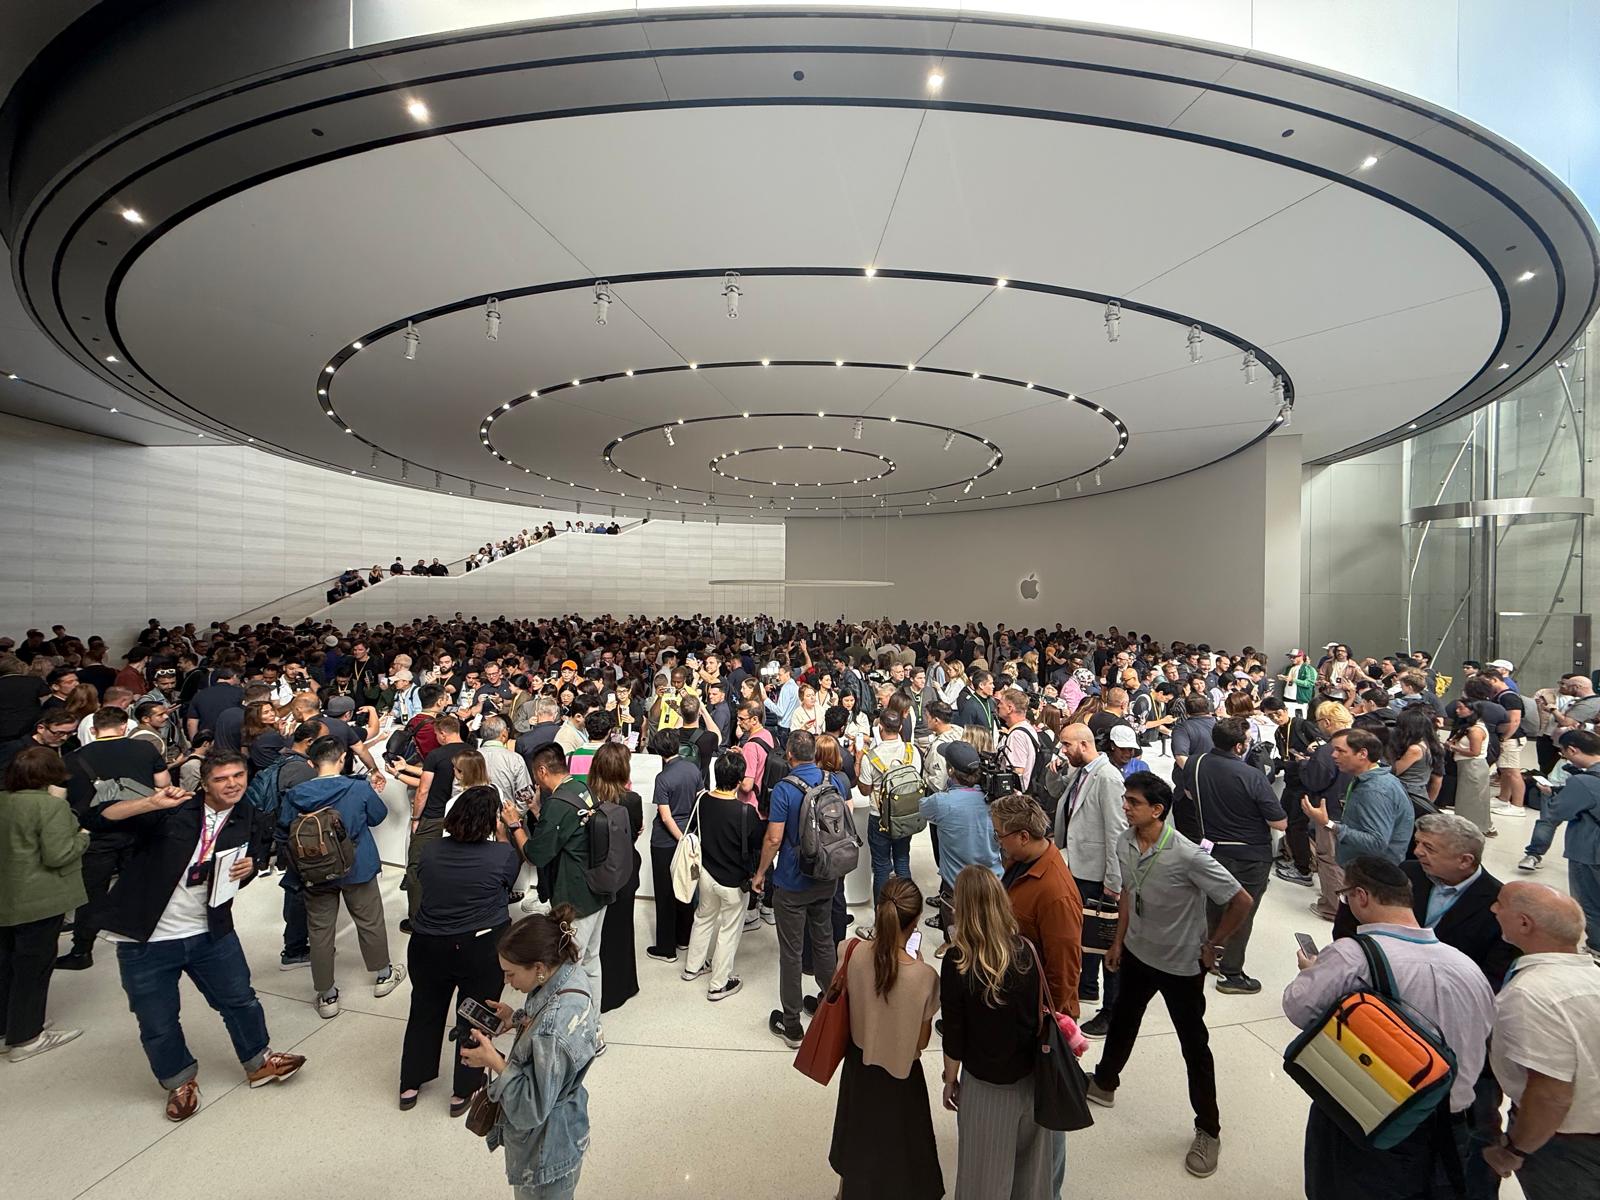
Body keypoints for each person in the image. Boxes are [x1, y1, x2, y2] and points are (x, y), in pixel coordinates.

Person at [93, 753, 306, 1120]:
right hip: (147, 938)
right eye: (222, 778)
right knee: (158, 1020)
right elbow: (98, 818)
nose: (233, 784)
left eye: (238, 775)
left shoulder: (248, 816)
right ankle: (179, 1081)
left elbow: (250, 859)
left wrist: (249, 868)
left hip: (210, 929)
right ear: (204, 782)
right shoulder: (173, 809)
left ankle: (258, 1061)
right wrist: (148, 803)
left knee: (241, 1000)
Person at [1283, 856, 1495, 1199]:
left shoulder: (1353, 954)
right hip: (1451, 1122)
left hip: (1373, 1112)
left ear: (1361, 896)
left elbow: (1299, 1008)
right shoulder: (1466, 967)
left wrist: (1310, 972)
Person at [1088, 773, 1252, 1178]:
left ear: (1157, 810)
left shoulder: (1188, 854)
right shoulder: (1126, 841)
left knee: (1194, 1047)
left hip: (1181, 965)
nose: (1125, 807)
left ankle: (1208, 1130)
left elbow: (1240, 900)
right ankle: (1105, 1083)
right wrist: (1117, 941)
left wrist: (1214, 944)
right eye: (1125, 800)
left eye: (1133, 802)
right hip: (1139, 954)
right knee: (1123, 1021)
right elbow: (1128, 891)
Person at [458, 908, 600, 1200]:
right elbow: (547, 1022)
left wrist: (494, 1062)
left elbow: (532, 1108)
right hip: (567, 1129)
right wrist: (517, 1018)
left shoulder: (553, 1028)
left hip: (546, 1151)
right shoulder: (567, 974)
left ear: (538, 966)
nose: (508, 983)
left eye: (511, 974)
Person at [398, 785, 519, 1114]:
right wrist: (505, 834)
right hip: (480, 945)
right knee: (476, 1016)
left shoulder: (431, 851)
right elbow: (510, 881)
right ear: (491, 821)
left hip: (427, 944)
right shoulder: (502, 855)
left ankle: (410, 1083)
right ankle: (463, 1090)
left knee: (424, 1011)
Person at [940, 865, 1055, 1200]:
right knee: (1031, 1179)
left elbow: (955, 1033)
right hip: (1033, 1079)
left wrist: (950, 1079)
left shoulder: (958, 961)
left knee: (983, 1180)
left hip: (986, 1084)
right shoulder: (1027, 950)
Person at [829, 876, 943, 1200]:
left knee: (857, 1136)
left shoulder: (850, 952)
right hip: (901, 1075)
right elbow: (920, 1043)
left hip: (858, 1064)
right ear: (916, 920)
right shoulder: (925, 978)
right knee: (903, 1149)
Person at [1484, 883, 1600, 1196]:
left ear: (1524, 923)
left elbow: (1551, 1095)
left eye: (1500, 904)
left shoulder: (1529, 995)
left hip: (1565, 1144)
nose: (1494, 910)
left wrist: (1515, 1150)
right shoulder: (1593, 976)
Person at [280, 736, 402, 1019]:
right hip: (357, 865)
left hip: (313, 869)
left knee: (320, 930)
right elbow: (377, 816)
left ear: (311, 763)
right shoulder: (357, 788)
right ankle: (383, 975)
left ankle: (327, 993)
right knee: (369, 920)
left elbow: (286, 827)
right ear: (343, 759)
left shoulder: (296, 794)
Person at [503, 744, 609, 1047]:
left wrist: (514, 823)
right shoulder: (582, 787)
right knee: (591, 961)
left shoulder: (558, 804)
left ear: (541, 771)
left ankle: (581, 1034)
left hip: (573, 898)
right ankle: (595, 1024)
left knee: (568, 968)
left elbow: (536, 853)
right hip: (595, 890)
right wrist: (538, 810)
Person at [1172, 717, 1287, 995]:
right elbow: (1279, 822)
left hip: (1211, 847)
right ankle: (1232, 973)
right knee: (1243, 910)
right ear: (1239, 746)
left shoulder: (1196, 763)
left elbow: (1188, 792)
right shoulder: (1251, 775)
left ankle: (1211, 954)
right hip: (1250, 854)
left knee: (1213, 905)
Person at [57, 706, 173, 970]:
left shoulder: (72, 760)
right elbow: (163, 782)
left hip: (97, 834)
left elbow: (59, 801)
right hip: (141, 827)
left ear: (93, 730)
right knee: (141, 884)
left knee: (91, 894)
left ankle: (82, 950)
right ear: (124, 727)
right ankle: (146, 938)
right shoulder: (145, 749)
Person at [752, 730, 847, 1048]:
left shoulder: (784, 789)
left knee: (791, 954)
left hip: (793, 881)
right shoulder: (833, 780)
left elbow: (774, 838)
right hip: (826, 876)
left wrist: (761, 872)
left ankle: (791, 1024)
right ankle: (829, 1004)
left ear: (790, 755)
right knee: (823, 942)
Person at [0, 747, 89, 1061]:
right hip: (40, 899)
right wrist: (83, 836)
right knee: (34, 969)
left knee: (8, 964)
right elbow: (59, 854)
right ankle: (27, 1036)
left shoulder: (4, 801)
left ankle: (8, 1027)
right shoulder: (51, 807)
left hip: (7, 897)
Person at [1302, 727, 1414, 939]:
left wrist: (1329, 825)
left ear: (1362, 754)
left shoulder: (1375, 791)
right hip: (1365, 876)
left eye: (1340, 751)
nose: (1333, 755)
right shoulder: (1371, 780)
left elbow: (1376, 842)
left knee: (1351, 938)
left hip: (1372, 881)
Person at [1050, 722, 1124, 1031]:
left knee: (1106, 940)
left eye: (1067, 745)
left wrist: (1114, 880)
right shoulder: (1081, 772)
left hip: (1098, 873)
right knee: (1087, 935)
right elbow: (1058, 794)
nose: (1063, 751)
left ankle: (1111, 1011)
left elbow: (1117, 831)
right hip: (1078, 866)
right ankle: (1088, 986)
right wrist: (1054, 771)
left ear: (1084, 744)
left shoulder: (1107, 778)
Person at [682, 751, 763, 1000]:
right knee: (729, 929)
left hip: (705, 873)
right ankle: (719, 983)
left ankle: (692, 967)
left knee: (703, 918)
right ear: (740, 780)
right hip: (733, 881)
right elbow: (755, 845)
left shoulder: (702, 800)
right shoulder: (745, 812)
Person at [1406, 812, 1517, 988]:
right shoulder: (1407, 873)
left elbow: (1493, 976)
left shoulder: (1500, 905)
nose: (1417, 852)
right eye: (1417, 843)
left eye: (1429, 848)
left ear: (1465, 861)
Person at [919, 741, 1003, 944]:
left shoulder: (942, 802)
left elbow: (922, 807)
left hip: (956, 886)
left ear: (951, 770)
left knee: (957, 942)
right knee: (988, 936)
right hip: (993, 881)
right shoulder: (995, 800)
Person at [400, 713, 468, 928]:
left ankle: (417, 919)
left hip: (433, 817)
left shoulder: (436, 755)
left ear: (443, 733)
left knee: (416, 867)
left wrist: (415, 817)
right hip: (462, 817)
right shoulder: (473, 752)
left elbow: (423, 790)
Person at [589, 742, 643, 1013]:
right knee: (621, 929)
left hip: (594, 871)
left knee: (594, 935)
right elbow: (634, 834)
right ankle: (622, 984)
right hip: (624, 871)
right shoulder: (631, 800)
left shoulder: (588, 798)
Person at [857, 701, 922, 905]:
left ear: (880, 728)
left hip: (880, 818)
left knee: (882, 867)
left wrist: (859, 761)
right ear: (901, 728)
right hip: (906, 816)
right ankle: (907, 911)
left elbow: (865, 789)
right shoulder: (912, 752)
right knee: (903, 860)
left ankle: (881, 919)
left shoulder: (871, 757)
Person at [1542, 729, 1600, 954]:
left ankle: (1596, 947)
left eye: (1564, 753)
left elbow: (1558, 812)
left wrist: (1550, 794)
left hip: (1589, 849)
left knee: (1591, 901)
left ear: (1573, 750)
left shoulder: (1583, 781)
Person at [646, 726, 701, 962]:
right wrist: (689, 837)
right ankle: (684, 938)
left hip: (666, 841)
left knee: (665, 893)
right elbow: (700, 798)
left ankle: (666, 948)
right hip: (690, 834)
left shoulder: (663, 778)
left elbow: (665, 816)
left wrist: (680, 839)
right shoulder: (692, 768)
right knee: (686, 889)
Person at [1448, 698, 1494, 834]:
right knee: (1465, 797)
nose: (1457, 711)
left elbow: (1475, 752)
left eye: (1461, 708)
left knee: (1474, 799)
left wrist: (1453, 748)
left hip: (1474, 766)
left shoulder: (1476, 730)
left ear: (1472, 710)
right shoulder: (1467, 727)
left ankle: (1476, 827)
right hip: (1465, 765)